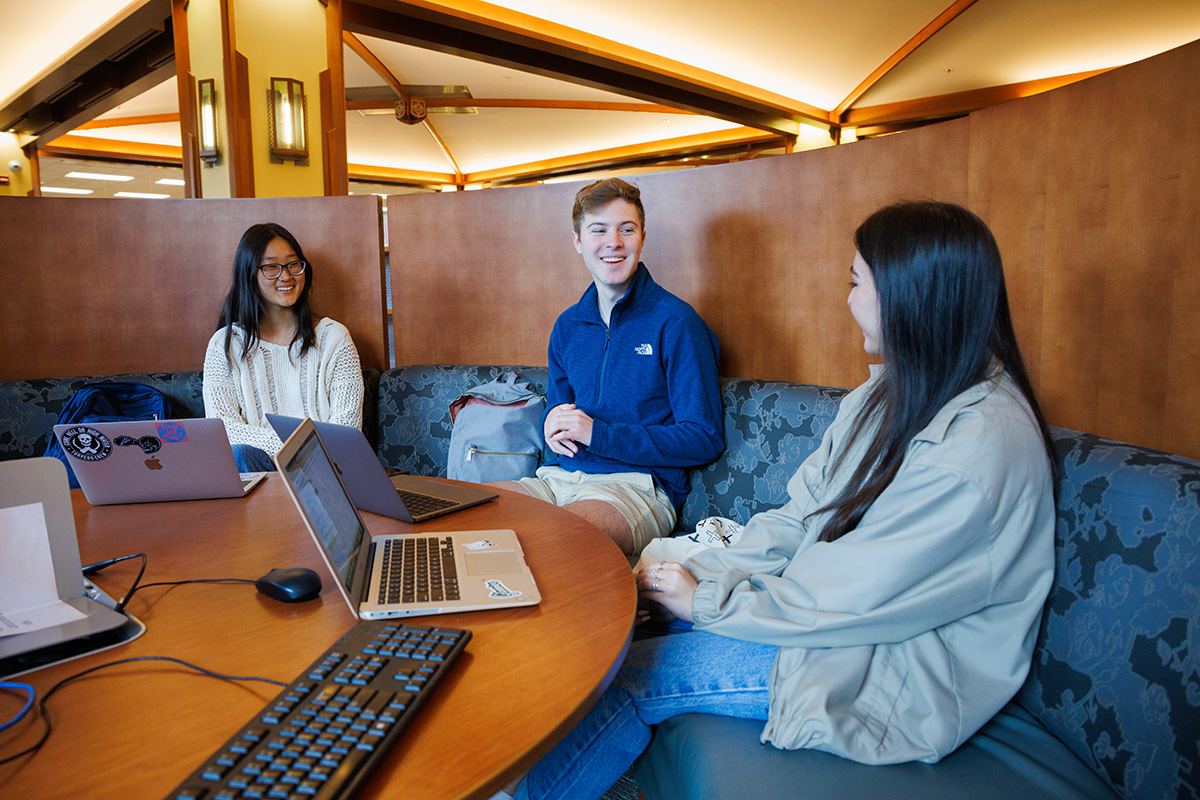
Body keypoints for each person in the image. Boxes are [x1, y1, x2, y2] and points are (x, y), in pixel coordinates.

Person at [495, 201, 1058, 800]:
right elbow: (799, 518)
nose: (848, 300)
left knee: (629, 676)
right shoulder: (887, 396)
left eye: (855, 282)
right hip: (833, 623)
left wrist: (707, 600)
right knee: (620, 621)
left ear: (908, 296)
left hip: (889, 663)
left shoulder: (977, 448)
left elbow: (863, 594)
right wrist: (687, 575)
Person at [494, 178, 724, 558]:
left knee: (556, 538)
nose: (613, 242)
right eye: (598, 230)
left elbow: (704, 437)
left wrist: (599, 435)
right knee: (471, 514)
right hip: (556, 479)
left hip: (635, 487)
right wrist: (550, 422)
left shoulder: (677, 322)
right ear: (578, 241)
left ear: (642, 238)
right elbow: (560, 412)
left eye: (626, 229)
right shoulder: (568, 326)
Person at [203, 222, 364, 472]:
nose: (286, 276)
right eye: (271, 267)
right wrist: (294, 446)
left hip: (326, 470)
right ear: (249, 274)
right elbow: (222, 429)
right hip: (257, 472)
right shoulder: (224, 344)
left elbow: (347, 431)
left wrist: (304, 454)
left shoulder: (334, 338)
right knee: (241, 455)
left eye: (293, 264)